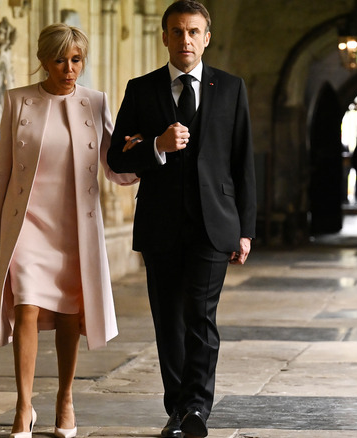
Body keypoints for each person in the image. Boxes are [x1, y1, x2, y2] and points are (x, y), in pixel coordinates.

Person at [0, 23, 137, 438]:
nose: (69, 69)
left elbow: (114, 167)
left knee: (69, 315)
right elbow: (2, 174)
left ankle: (65, 399)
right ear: (43, 61)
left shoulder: (94, 102)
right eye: (60, 60)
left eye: (76, 60)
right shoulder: (17, 101)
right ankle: (23, 406)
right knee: (26, 307)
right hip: (26, 225)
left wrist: (144, 153)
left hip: (74, 228)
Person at [106, 1, 256, 437]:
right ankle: (177, 408)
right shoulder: (141, 89)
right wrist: (156, 144)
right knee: (168, 320)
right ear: (165, 37)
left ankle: (196, 408)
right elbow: (117, 156)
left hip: (214, 223)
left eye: (193, 32)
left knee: (200, 316)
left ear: (206, 38)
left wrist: (245, 230)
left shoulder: (231, 88)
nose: (185, 39)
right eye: (177, 31)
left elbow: (242, 162)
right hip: (160, 223)